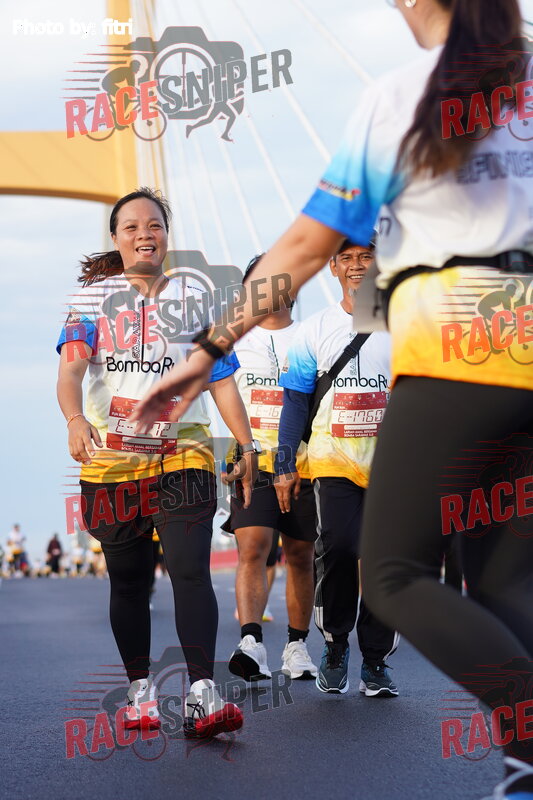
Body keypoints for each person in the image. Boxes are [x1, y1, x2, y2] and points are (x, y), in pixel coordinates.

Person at [131, 4, 533, 796]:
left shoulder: (402, 96)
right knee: (500, 582)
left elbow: (304, 247)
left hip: (457, 343)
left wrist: (207, 350)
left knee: (392, 574)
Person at [56, 187, 260, 739]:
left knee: (190, 569)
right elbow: (70, 371)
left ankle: (202, 693)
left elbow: (221, 382)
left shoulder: (198, 302)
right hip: (112, 463)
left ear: (167, 235)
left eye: (155, 225)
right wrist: (75, 419)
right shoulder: (89, 303)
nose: (145, 234)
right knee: (129, 582)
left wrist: (246, 447)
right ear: (115, 238)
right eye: (132, 227)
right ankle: (140, 693)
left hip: (183, 454)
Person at [275, 238, 399, 696]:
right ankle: (335, 644)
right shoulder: (315, 329)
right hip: (333, 460)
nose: (356, 265)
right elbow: (294, 400)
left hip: (392, 463)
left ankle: (375, 661)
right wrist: (284, 462)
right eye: (346, 258)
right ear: (332, 267)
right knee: (340, 547)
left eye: (366, 256)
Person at [222, 255, 318, 683]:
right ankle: (251, 642)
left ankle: (297, 646)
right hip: (251, 462)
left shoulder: (312, 336)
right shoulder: (231, 340)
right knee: (253, 547)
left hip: (303, 463)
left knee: (300, 554)